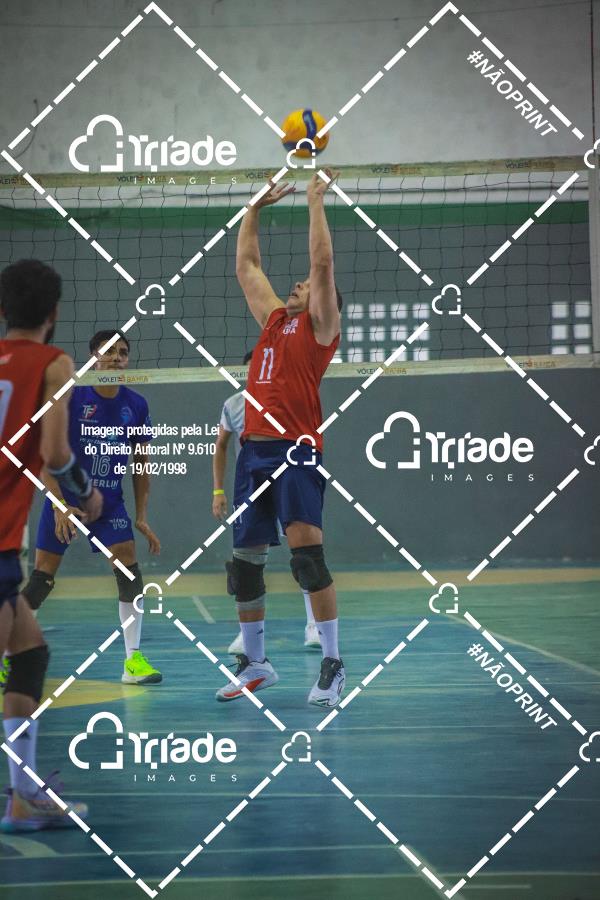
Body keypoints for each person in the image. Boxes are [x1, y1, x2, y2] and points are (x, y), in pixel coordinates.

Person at [216, 168, 345, 708]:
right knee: (243, 566)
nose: (298, 284)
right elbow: (246, 266)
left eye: (305, 286)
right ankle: (257, 664)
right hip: (254, 454)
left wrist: (315, 199)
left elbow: (322, 264)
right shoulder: (272, 322)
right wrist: (254, 208)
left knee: (307, 560)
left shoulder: (320, 330)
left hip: (295, 451)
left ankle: (333, 665)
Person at [0, 258, 102, 831]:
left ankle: (22, 798)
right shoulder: (53, 363)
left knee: (30, 653)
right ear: (55, 313)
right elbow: (56, 452)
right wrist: (85, 494)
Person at [20, 331, 162, 685]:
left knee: (129, 570)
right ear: (93, 358)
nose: (116, 357)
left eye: (123, 352)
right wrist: (59, 506)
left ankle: (133, 661)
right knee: (41, 581)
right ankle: (10, 655)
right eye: (108, 351)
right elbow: (44, 456)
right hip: (66, 499)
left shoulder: (136, 404)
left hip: (108, 503)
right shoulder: (70, 397)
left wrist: (142, 516)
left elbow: (141, 465)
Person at [212, 350, 320, 653]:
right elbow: (221, 446)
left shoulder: (288, 401)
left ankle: (314, 626)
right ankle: (247, 634)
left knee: (305, 559)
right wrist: (218, 491)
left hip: (287, 483)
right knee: (246, 565)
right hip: (252, 488)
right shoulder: (233, 404)